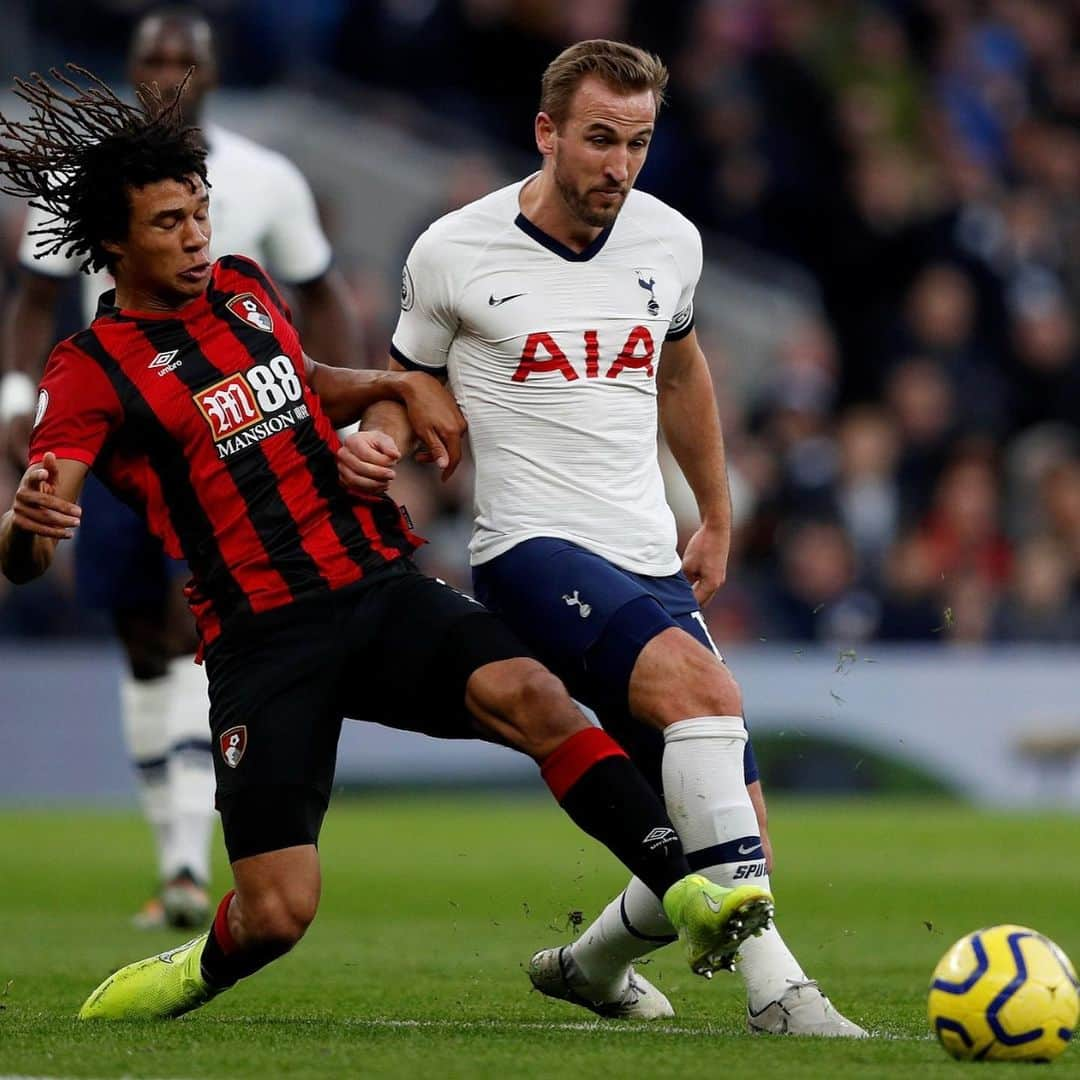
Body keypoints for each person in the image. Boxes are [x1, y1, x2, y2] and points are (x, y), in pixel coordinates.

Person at [0, 65, 773, 1022]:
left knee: (536, 697)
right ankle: (192, 968)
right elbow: (39, 527)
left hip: (375, 586)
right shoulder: (88, 370)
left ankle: (693, 891)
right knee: (280, 914)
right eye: (170, 225)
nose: (199, 238)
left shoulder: (244, 289)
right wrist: (24, 533)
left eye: (201, 213)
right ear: (112, 245)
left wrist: (388, 387)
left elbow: (304, 375)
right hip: (262, 636)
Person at [348, 40, 864, 1036]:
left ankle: (590, 965)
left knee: (727, 837)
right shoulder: (454, 249)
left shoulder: (669, 241)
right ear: (546, 132)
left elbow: (682, 375)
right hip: (528, 550)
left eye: (636, 143)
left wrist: (714, 513)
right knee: (705, 696)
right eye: (598, 140)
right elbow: (402, 388)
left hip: (646, 551)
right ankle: (780, 997)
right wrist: (375, 444)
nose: (617, 166)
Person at [0, 7, 358, 931]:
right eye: (150, 58)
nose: (166, 71)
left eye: (182, 59)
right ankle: (177, 864)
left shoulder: (265, 179)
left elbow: (322, 295)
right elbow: (37, 299)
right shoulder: (87, 181)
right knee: (141, 640)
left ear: (212, 70)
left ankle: (191, 862)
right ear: (132, 68)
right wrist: (16, 407)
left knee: (192, 630)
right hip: (119, 435)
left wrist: (330, 409)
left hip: (232, 442)